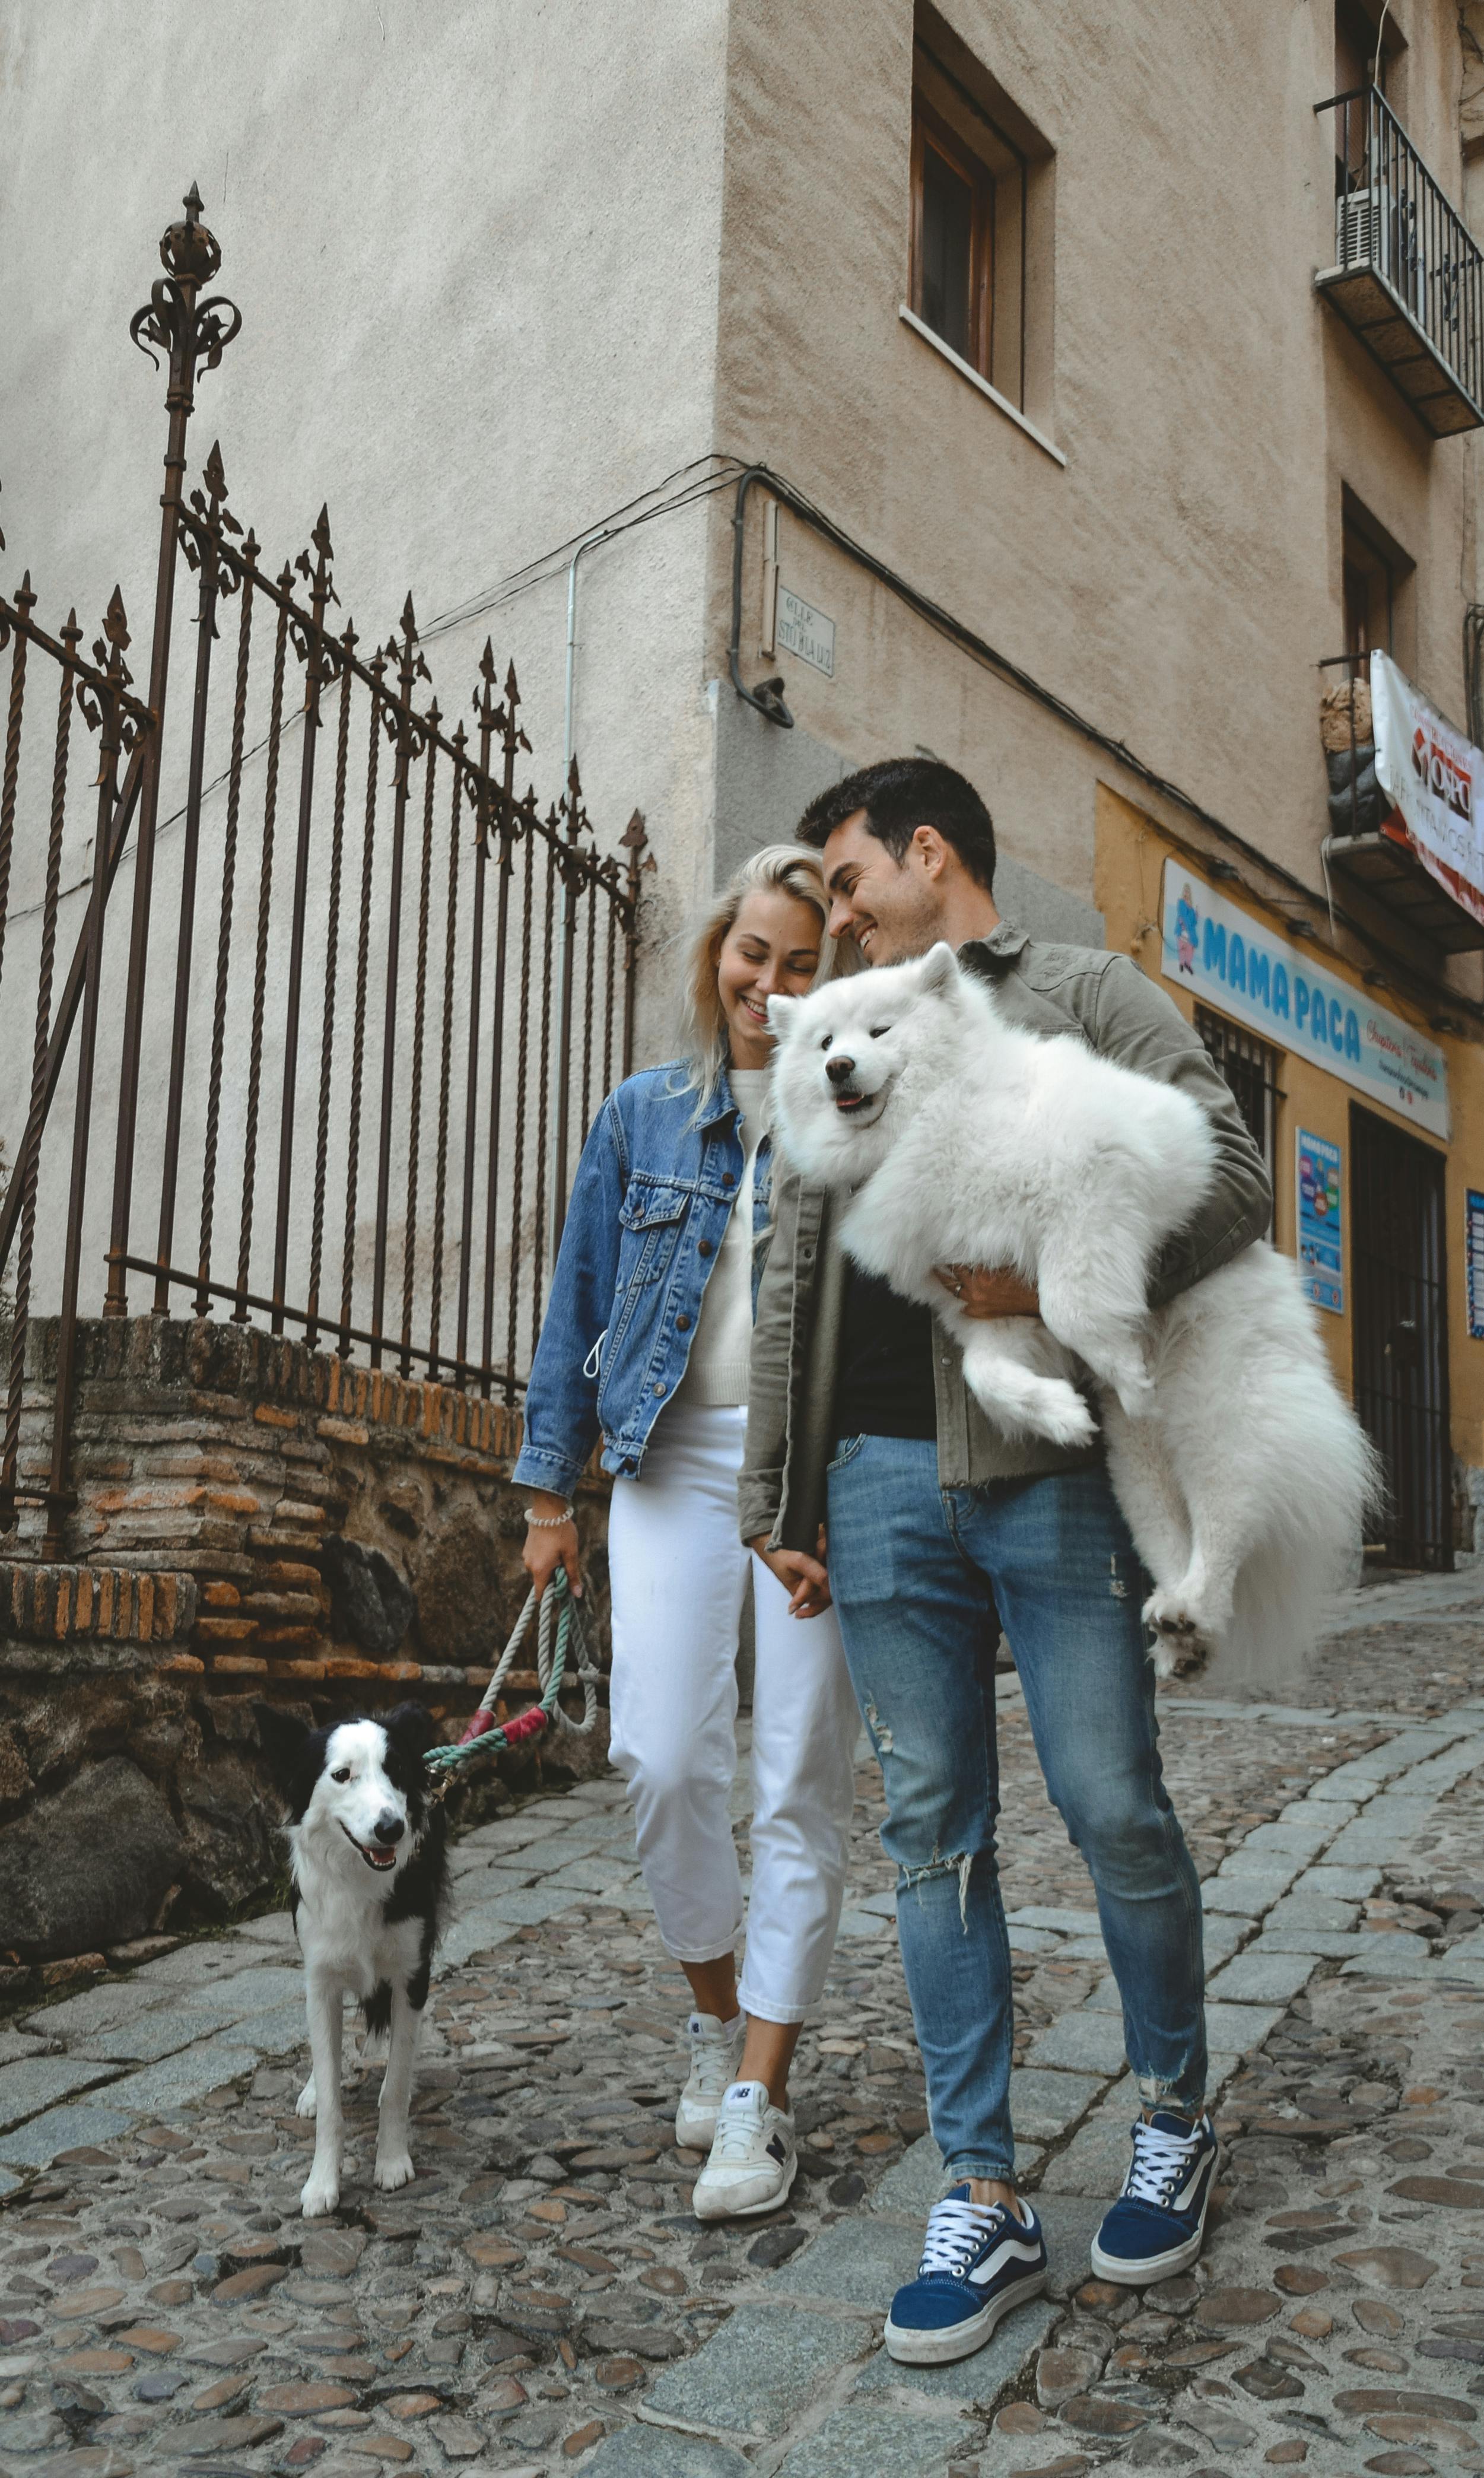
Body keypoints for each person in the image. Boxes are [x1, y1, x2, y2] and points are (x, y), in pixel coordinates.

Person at [739, 759, 1272, 2365]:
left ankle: (1171, 2112)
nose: (830, 915)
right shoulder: (839, 1041)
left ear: (925, 856)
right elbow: (789, 1267)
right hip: (880, 1485)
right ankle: (977, 2190)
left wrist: (1036, 1275)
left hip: (1044, 1473)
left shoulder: (1080, 992)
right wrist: (783, 1488)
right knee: (929, 1838)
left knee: (1111, 1802)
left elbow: (1230, 1175)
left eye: (842, 883)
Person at [515, 844, 857, 2221]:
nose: (767, 989)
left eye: (799, 967)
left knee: (793, 1779)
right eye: (750, 957)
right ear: (716, 953)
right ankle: (715, 2016)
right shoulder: (645, 1113)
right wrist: (550, 1495)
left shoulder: (858, 1117)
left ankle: (758, 2098)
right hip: (665, 1458)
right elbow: (574, 1298)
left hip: (811, 1481)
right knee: (661, 1756)